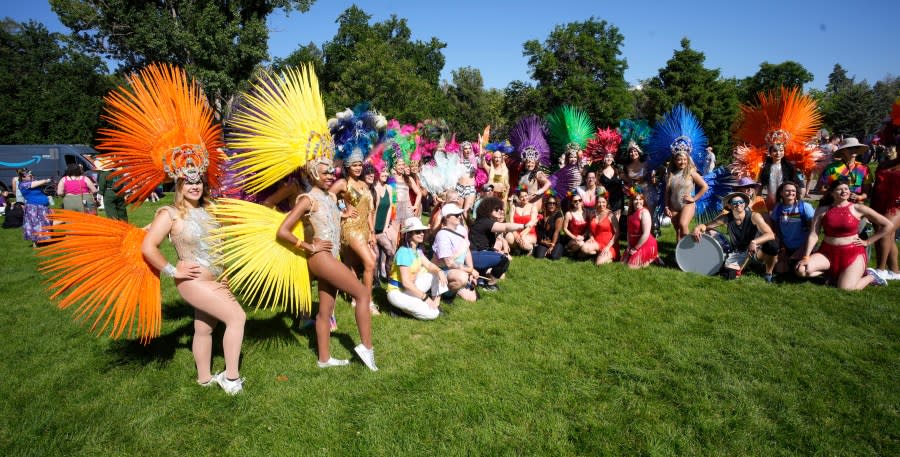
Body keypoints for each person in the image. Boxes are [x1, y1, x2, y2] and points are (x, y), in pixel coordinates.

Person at [141, 159, 247, 394]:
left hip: (215, 279)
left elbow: (218, 247)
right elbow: (148, 247)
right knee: (237, 318)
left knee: (204, 328)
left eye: (198, 180)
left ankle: (204, 378)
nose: (194, 186)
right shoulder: (170, 214)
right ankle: (231, 378)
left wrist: (225, 273)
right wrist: (172, 270)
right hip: (192, 281)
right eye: (188, 182)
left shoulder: (210, 209)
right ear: (179, 186)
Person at [276, 157, 378, 370]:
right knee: (361, 293)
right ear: (314, 175)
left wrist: (344, 214)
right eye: (326, 173)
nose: (331, 175)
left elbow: (351, 202)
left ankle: (324, 359)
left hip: (331, 256)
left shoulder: (330, 197)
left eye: (332, 172)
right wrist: (307, 246)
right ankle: (367, 348)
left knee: (325, 310)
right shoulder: (307, 199)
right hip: (320, 257)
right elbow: (283, 231)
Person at [796, 179, 894, 289]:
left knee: (846, 288)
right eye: (839, 189)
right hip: (827, 252)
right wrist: (806, 256)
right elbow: (814, 234)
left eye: (846, 189)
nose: (844, 191)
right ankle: (833, 274)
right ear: (832, 193)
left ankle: (871, 277)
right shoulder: (822, 210)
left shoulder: (859, 208)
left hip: (853, 253)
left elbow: (888, 225)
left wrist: (868, 241)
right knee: (801, 270)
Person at [692, 191, 778, 281]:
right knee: (729, 275)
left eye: (741, 202)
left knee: (772, 245)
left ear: (745, 204)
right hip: (738, 252)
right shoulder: (726, 218)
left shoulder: (754, 216)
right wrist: (698, 227)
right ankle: (744, 266)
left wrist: (754, 242)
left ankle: (768, 274)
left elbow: (770, 234)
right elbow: (706, 226)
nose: (738, 204)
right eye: (735, 203)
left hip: (756, 250)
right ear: (729, 206)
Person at [331, 156, 379, 316]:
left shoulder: (363, 184)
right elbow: (328, 198)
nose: (358, 168)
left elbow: (369, 211)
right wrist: (342, 212)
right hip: (350, 228)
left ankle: (354, 297)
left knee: (351, 263)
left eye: (360, 165)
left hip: (365, 228)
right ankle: (368, 302)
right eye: (354, 165)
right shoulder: (342, 183)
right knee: (370, 262)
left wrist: (372, 232)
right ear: (347, 166)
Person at [385, 217, 449, 319]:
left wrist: (439, 271)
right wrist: (425, 298)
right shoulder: (404, 252)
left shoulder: (417, 250)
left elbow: (429, 265)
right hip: (397, 291)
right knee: (433, 314)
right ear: (409, 235)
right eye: (418, 232)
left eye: (422, 231)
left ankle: (436, 305)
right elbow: (406, 283)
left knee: (436, 273)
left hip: (410, 288)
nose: (422, 234)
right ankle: (398, 308)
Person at [469, 196, 531, 290]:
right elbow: (505, 227)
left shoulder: (484, 221)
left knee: (501, 274)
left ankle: (482, 278)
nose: (501, 211)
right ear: (488, 210)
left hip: (477, 254)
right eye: (497, 209)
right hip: (473, 256)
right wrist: (523, 225)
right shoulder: (485, 222)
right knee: (503, 260)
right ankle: (489, 286)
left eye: (501, 209)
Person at [432, 203, 479, 302]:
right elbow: (448, 263)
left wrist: (471, 269)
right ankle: (444, 294)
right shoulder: (442, 235)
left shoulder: (462, 230)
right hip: (442, 271)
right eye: (456, 215)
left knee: (472, 299)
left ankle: (457, 288)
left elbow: (467, 249)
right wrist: (469, 270)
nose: (459, 217)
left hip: (458, 269)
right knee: (461, 278)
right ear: (447, 217)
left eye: (460, 214)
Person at [768, 181, 815, 278]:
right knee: (780, 270)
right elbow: (777, 229)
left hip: (804, 247)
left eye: (793, 191)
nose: (791, 193)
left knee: (800, 271)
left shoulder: (805, 207)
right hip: (787, 247)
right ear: (781, 193)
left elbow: (813, 230)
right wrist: (782, 248)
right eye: (787, 191)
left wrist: (803, 249)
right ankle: (790, 262)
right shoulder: (778, 208)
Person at [664, 150, 708, 241]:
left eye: (684, 159)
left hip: (687, 204)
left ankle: (689, 251)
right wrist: (667, 207)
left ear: (687, 160)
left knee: (683, 224)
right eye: (679, 160)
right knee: (678, 231)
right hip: (674, 205)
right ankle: (678, 253)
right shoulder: (670, 174)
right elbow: (667, 192)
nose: (682, 162)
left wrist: (694, 198)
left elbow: (704, 186)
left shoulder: (691, 173)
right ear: (675, 161)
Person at [817, 137, 872, 202]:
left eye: (856, 147)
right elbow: (820, 189)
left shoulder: (864, 168)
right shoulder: (831, 168)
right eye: (850, 148)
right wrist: (836, 194)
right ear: (842, 151)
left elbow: (867, 192)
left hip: (856, 207)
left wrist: (859, 197)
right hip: (836, 205)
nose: (853, 150)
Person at [871, 156, 900, 280]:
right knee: (888, 236)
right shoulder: (885, 163)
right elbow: (876, 186)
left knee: (884, 231)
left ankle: (880, 270)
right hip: (879, 203)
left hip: (896, 205)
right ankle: (895, 272)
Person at [758, 143, 805, 210]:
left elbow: (801, 185)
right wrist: (758, 198)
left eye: (781, 150)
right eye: (775, 151)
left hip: (786, 201)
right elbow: (760, 185)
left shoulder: (790, 167)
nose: (778, 153)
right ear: (770, 153)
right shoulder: (764, 167)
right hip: (770, 201)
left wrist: (799, 199)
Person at [16, 169, 52, 248]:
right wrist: (47, 180)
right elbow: (35, 183)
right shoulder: (23, 184)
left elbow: (36, 184)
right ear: (23, 177)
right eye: (30, 175)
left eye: (32, 175)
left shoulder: (32, 182)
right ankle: (35, 243)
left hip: (42, 206)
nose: (32, 176)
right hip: (34, 208)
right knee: (35, 225)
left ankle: (44, 241)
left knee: (45, 223)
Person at [372, 167, 396, 282]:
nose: (385, 174)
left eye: (387, 171)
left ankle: (388, 276)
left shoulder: (389, 188)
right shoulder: (372, 188)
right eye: (383, 171)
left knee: (390, 252)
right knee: (375, 256)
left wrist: (386, 227)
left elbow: (390, 208)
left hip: (382, 230)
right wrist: (371, 231)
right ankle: (375, 280)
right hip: (371, 229)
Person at [623, 192, 658, 268]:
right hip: (633, 243)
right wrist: (629, 245)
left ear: (643, 201)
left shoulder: (644, 212)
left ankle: (652, 258)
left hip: (644, 243)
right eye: (636, 199)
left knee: (631, 266)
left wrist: (636, 248)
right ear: (632, 201)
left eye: (640, 199)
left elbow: (646, 234)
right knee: (623, 263)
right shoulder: (630, 213)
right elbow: (628, 231)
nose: (638, 201)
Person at [581, 194, 618, 265]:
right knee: (584, 249)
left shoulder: (611, 215)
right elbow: (590, 229)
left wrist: (608, 247)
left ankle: (609, 256)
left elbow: (617, 233)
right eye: (599, 202)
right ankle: (598, 254)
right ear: (596, 203)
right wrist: (591, 237)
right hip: (597, 242)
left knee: (598, 263)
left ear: (606, 202)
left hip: (609, 244)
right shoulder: (593, 214)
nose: (601, 204)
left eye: (603, 202)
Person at [505, 186, 538, 255]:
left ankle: (531, 249)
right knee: (508, 237)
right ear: (519, 198)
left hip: (529, 232)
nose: (524, 198)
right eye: (521, 197)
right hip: (516, 231)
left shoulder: (533, 207)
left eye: (526, 195)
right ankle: (517, 249)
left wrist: (522, 234)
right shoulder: (514, 206)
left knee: (524, 242)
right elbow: (511, 222)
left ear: (528, 195)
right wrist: (515, 233)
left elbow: (532, 224)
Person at [534, 194, 565, 260]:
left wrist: (552, 245)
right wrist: (542, 241)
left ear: (556, 205)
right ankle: (544, 250)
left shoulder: (558, 214)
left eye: (554, 203)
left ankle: (560, 249)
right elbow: (537, 229)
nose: (552, 205)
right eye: (550, 203)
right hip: (544, 241)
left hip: (555, 241)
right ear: (546, 204)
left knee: (554, 257)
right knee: (539, 256)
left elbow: (556, 232)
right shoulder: (542, 214)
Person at [597, 152, 625, 220]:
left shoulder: (618, 170)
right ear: (603, 158)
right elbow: (597, 186)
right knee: (607, 220)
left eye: (610, 157)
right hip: (606, 201)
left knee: (616, 221)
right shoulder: (599, 172)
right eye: (607, 157)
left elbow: (626, 180)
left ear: (613, 159)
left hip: (618, 200)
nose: (609, 159)